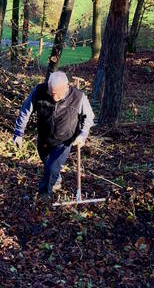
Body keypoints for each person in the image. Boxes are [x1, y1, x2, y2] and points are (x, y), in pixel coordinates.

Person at [12, 71, 94, 199]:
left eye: (55, 93)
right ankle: (56, 179)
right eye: (51, 92)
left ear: (66, 87)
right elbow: (25, 111)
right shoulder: (39, 91)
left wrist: (83, 134)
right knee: (48, 163)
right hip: (44, 138)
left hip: (64, 140)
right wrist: (19, 132)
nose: (52, 96)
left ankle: (44, 195)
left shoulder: (78, 97)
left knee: (52, 167)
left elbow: (89, 117)